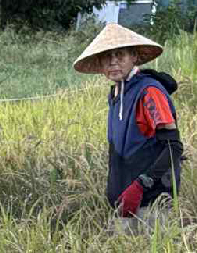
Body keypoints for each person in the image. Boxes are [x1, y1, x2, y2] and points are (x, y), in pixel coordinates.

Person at [73, 23, 183, 231]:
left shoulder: (150, 92)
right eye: (107, 56)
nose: (113, 62)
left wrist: (141, 185)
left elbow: (173, 147)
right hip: (124, 204)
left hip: (152, 203)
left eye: (120, 55)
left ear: (134, 56)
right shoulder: (116, 94)